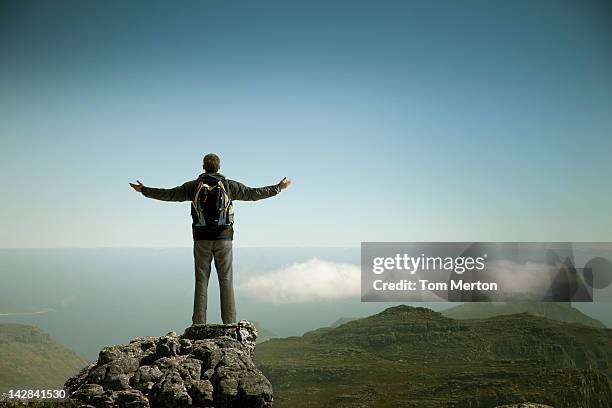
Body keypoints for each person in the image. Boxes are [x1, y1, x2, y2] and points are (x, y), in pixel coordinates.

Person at [129, 153, 291, 325]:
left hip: (201, 240)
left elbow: (169, 194)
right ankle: (229, 324)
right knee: (226, 281)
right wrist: (278, 188)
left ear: (203, 167)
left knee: (201, 282)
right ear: (219, 167)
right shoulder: (229, 186)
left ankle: (199, 324)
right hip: (224, 239)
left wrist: (144, 190)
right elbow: (253, 193)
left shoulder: (193, 187)